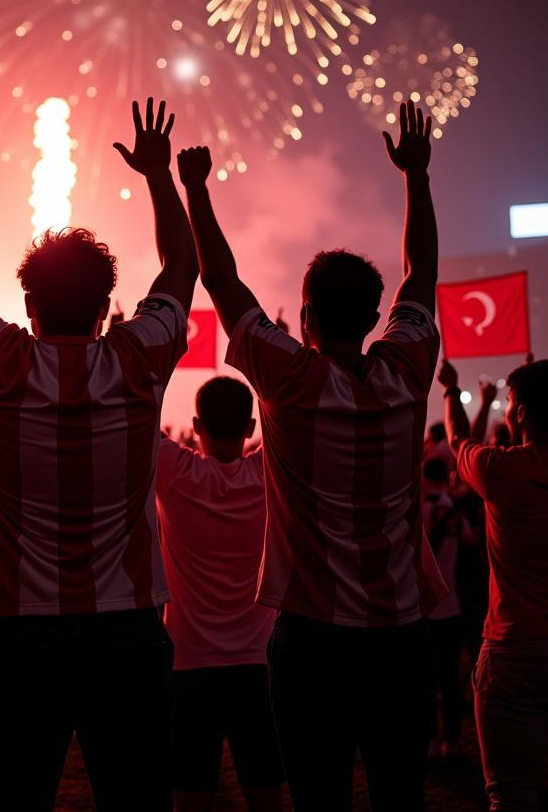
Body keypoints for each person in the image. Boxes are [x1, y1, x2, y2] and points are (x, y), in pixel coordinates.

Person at [0, 93, 198, 811]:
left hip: (20, 638)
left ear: (27, 304)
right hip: (130, 633)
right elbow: (182, 267)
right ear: (109, 306)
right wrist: (160, 176)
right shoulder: (139, 360)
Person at [178, 100, 447, 811]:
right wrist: (416, 179)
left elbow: (221, 281)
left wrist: (196, 191)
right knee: (401, 795)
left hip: (313, 641)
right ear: (372, 316)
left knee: (318, 796)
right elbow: (422, 273)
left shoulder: (292, 382)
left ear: (308, 319)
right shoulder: (409, 371)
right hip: (401, 637)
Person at [440, 357, 548, 809]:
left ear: (519, 414)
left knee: (511, 795)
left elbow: (458, 439)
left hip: (514, 649)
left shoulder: (501, 470)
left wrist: (452, 391)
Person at [155, 376, 284, 812]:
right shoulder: (270, 473)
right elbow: (294, 421)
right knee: (266, 792)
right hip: (259, 664)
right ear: (250, 427)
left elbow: (134, 417)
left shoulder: (176, 475)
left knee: (190, 795)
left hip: (189, 665)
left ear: (196, 425)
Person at [421, 456, 471, 758]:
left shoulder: (419, 509)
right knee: (450, 678)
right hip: (452, 607)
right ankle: (451, 741)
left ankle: (428, 740)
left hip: (424, 609)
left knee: (426, 679)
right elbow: (469, 542)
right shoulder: (456, 513)